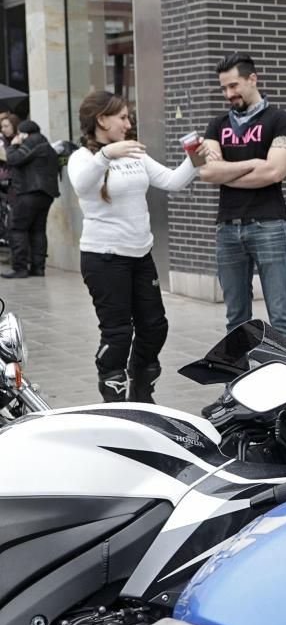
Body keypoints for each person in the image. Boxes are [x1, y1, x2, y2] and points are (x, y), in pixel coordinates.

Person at [67, 90, 206, 402]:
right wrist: (106, 155)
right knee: (117, 333)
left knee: (155, 326)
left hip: (140, 255)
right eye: (122, 117)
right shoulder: (82, 157)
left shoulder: (135, 155)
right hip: (104, 258)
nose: (128, 124)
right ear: (102, 120)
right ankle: (114, 399)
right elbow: (81, 184)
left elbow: (171, 181)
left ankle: (142, 392)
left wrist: (195, 157)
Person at [199, 52, 286, 351]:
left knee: (281, 316)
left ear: (252, 79)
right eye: (223, 88)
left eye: (233, 86)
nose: (229, 94)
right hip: (227, 229)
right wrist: (255, 163)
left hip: (269, 225)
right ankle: (240, 383)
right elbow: (206, 171)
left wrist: (227, 173)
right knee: (236, 318)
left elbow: (275, 171)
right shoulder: (217, 125)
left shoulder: (281, 120)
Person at [1, 120, 60, 279]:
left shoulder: (31, 142)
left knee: (17, 228)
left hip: (28, 192)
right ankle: (38, 268)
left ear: (25, 133)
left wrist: (13, 145)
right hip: (46, 194)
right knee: (38, 230)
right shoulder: (47, 146)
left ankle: (20, 268)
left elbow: (13, 159)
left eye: (20, 133)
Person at [0, 113, 19, 247]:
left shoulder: (19, 141)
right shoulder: (4, 141)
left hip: (16, 184)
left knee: (16, 223)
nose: (3, 129)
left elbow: (14, 160)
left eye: (6, 126)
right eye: (2, 127)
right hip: (5, 183)